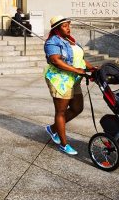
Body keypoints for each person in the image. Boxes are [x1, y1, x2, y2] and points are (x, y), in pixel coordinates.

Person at [44, 15, 96, 156]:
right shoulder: (52, 42)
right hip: (60, 80)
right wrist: (76, 70)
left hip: (74, 79)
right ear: (57, 28)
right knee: (61, 112)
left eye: (69, 25)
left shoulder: (71, 41)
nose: (68, 28)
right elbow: (55, 60)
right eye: (65, 26)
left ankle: (53, 128)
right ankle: (64, 144)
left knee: (77, 108)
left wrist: (93, 69)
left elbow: (81, 59)